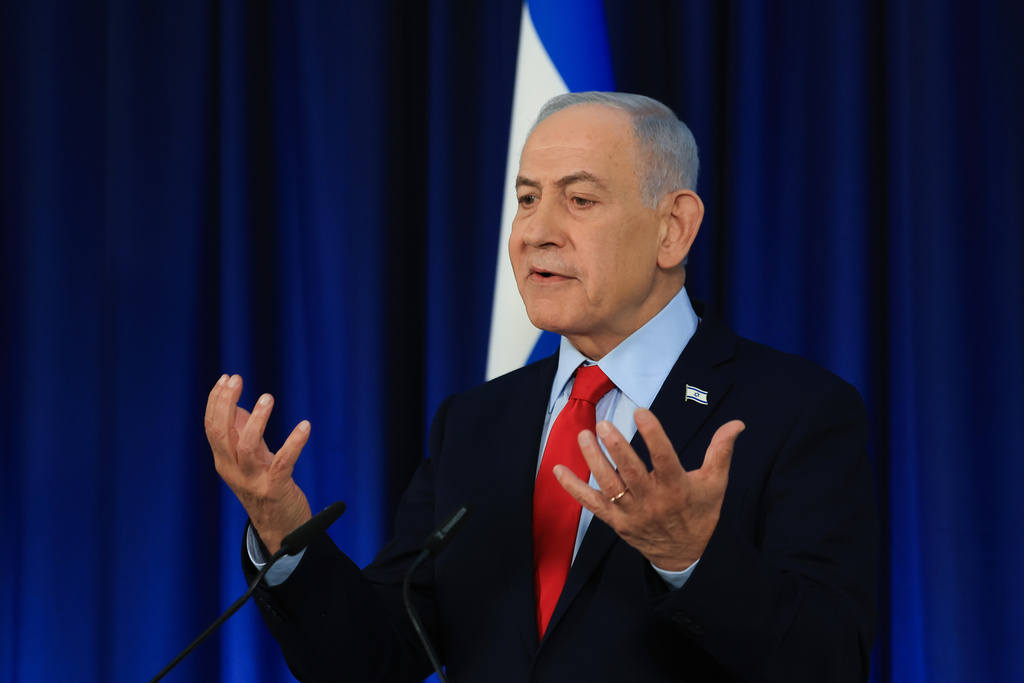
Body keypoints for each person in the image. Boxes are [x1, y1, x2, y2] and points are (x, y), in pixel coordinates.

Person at [205, 92, 878, 682]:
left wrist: (690, 558)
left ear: (673, 228)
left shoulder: (796, 410)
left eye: (579, 200)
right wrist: (284, 531)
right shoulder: (475, 421)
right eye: (527, 198)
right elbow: (373, 659)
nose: (534, 232)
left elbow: (830, 659)